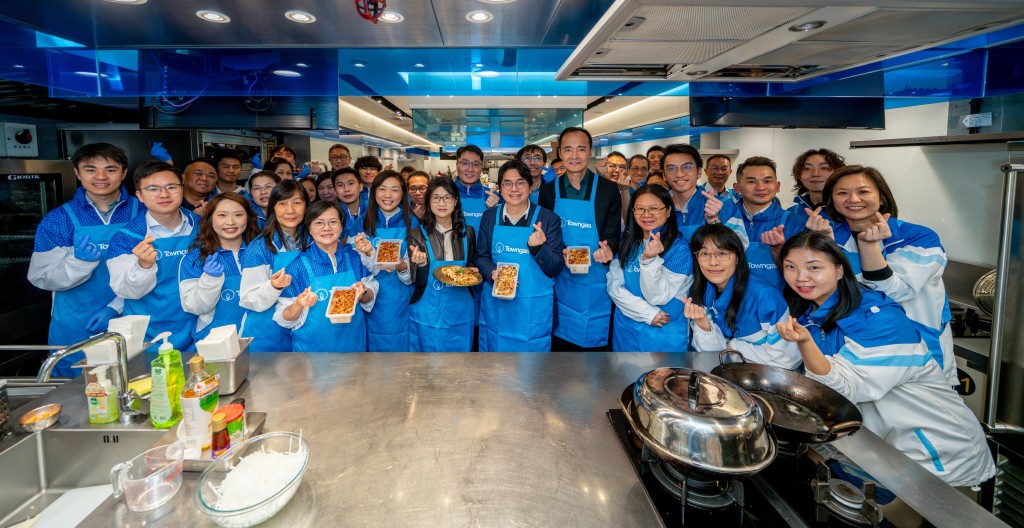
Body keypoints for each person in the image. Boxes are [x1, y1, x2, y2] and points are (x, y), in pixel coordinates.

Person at [776, 232, 994, 488]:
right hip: (881, 451)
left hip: (936, 455)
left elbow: (842, 389)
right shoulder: (812, 314)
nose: (801, 277)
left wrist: (805, 343)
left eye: (814, 267)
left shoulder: (879, 317)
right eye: (791, 267)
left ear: (838, 270)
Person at [818, 165, 957, 386]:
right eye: (842, 193)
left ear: (881, 197)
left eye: (863, 191)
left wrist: (869, 246)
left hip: (915, 350)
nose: (853, 199)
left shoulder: (918, 237)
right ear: (832, 200)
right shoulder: (832, 238)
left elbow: (895, 291)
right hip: (853, 351)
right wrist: (822, 245)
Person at [28, 143, 143, 375]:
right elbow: (40, 277)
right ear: (77, 173)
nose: (101, 177)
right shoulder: (58, 220)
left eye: (110, 169)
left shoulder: (143, 212)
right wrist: (78, 263)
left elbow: (158, 269)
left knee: (136, 381)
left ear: (123, 173)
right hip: (76, 322)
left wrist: (115, 307)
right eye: (90, 169)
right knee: (75, 392)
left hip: (133, 315)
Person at [539, 127, 621, 351]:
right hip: (560, 277)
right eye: (568, 149)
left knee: (594, 352)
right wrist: (557, 251)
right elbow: (544, 236)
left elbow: (613, 233)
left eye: (581, 149)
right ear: (560, 153)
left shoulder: (608, 189)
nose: (574, 156)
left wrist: (609, 248)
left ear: (590, 152)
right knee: (560, 348)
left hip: (596, 277)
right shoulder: (548, 192)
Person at [107, 161, 199, 351]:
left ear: (182, 188)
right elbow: (125, 291)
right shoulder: (126, 238)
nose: (164, 194)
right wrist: (143, 266)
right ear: (139, 195)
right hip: (149, 332)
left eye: (171, 187)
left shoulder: (204, 227)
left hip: (198, 327)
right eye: (153, 189)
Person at [683, 224, 800, 368]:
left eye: (722, 253)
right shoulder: (703, 292)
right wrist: (703, 324)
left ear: (738, 257)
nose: (713, 262)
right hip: (730, 373)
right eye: (705, 254)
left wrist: (733, 346)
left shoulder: (765, 296)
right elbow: (713, 352)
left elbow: (788, 359)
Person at [476, 160, 563, 352]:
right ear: (500, 188)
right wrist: (492, 273)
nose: (514, 188)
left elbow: (556, 266)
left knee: (531, 371)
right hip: (497, 308)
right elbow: (481, 257)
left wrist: (539, 249)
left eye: (520, 182)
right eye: (507, 183)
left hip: (533, 311)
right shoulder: (489, 217)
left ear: (530, 187)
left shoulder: (548, 219)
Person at [274, 201, 378, 352]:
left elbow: (371, 296)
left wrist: (363, 292)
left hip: (354, 347)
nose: (327, 228)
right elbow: (283, 318)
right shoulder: (297, 267)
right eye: (319, 223)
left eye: (333, 222)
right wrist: (299, 304)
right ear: (309, 228)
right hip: (312, 354)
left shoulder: (354, 258)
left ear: (342, 226)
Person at [607, 185, 692, 352]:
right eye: (640, 209)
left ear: (668, 211)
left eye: (654, 209)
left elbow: (658, 296)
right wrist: (647, 313)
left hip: (664, 332)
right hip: (627, 330)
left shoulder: (679, 248)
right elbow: (614, 285)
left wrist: (649, 260)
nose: (646, 215)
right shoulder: (627, 241)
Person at [178, 193, 260, 342]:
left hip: (260, 337)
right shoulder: (195, 258)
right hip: (215, 341)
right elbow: (194, 307)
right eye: (222, 215)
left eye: (238, 215)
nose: (230, 222)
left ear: (248, 218)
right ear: (210, 220)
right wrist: (209, 279)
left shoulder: (262, 253)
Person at [407, 177, 476, 352]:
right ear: (429, 202)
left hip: (461, 311)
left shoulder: (467, 233)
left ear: (455, 201)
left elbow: (471, 265)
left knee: (460, 364)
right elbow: (417, 282)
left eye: (447, 197)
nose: (442, 203)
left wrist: (472, 270)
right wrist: (421, 265)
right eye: (436, 198)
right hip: (429, 314)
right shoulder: (417, 235)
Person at [238, 180, 309, 352]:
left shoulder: (312, 241)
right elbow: (249, 298)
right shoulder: (260, 247)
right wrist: (273, 286)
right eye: (282, 204)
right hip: (267, 334)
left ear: (307, 207)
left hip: (304, 331)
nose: (290, 210)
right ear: (273, 209)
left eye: (297, 203)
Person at [359, 169, 418, 351]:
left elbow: (417, 271)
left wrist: (401, 265)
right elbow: (353, 266)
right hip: (368, 299)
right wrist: (367, 252)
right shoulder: (360, 224)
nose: (388, 195)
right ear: (374, 191)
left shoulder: (414, 224)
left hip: (403, 299)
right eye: (382, 189)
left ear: (403, 194)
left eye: (395, 190)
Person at [731, 156, 798, 289]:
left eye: (767, 181)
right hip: (732, 301)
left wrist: (779, 250)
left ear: (777, 186)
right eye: (751, 182)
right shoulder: (725, 220)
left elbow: (803, 273)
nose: (760, 187)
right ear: (737, 188)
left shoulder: (795, 223)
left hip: (779, 304)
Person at [661, 144, 740, 242]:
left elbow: (739, 247)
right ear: (664, 175)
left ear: (699, 172)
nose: (679, 174)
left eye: (687, 167)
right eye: (671, 169)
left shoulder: (725, 205)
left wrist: (715, 223)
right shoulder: (655, 208)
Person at [783, 148, 846, 235]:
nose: (815, 174)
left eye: (824, 168)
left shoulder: (847, 210)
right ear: (799, 176)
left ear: (837, 173)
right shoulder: (790, 213)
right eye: (807, 168)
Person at [454, 145, 500, 232]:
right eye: (465, 163)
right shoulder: (445, 194)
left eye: (475, 164)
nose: (470, 169)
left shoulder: (495, 198)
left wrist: (495, 211)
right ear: (457, 165)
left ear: (481, 167)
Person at [332, 168, 365, 238]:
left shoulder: (373, 210)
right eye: (340, 185)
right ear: (335, 191)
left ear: (361, 187)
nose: (346, 189)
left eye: (350, 183)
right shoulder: (330, 214)